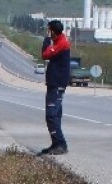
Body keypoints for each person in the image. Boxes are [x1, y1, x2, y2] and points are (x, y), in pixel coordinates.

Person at [40, 20, 71, 155]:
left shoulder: (61, 44)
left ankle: (61, 144)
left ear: (52, 31)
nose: (48, 33)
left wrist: (46, 39)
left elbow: (45, 55)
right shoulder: (59, 41)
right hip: (54, 83)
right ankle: (56, 143)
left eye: (49, 30)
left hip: (57, 84)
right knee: (55, 116)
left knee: (51, 115)